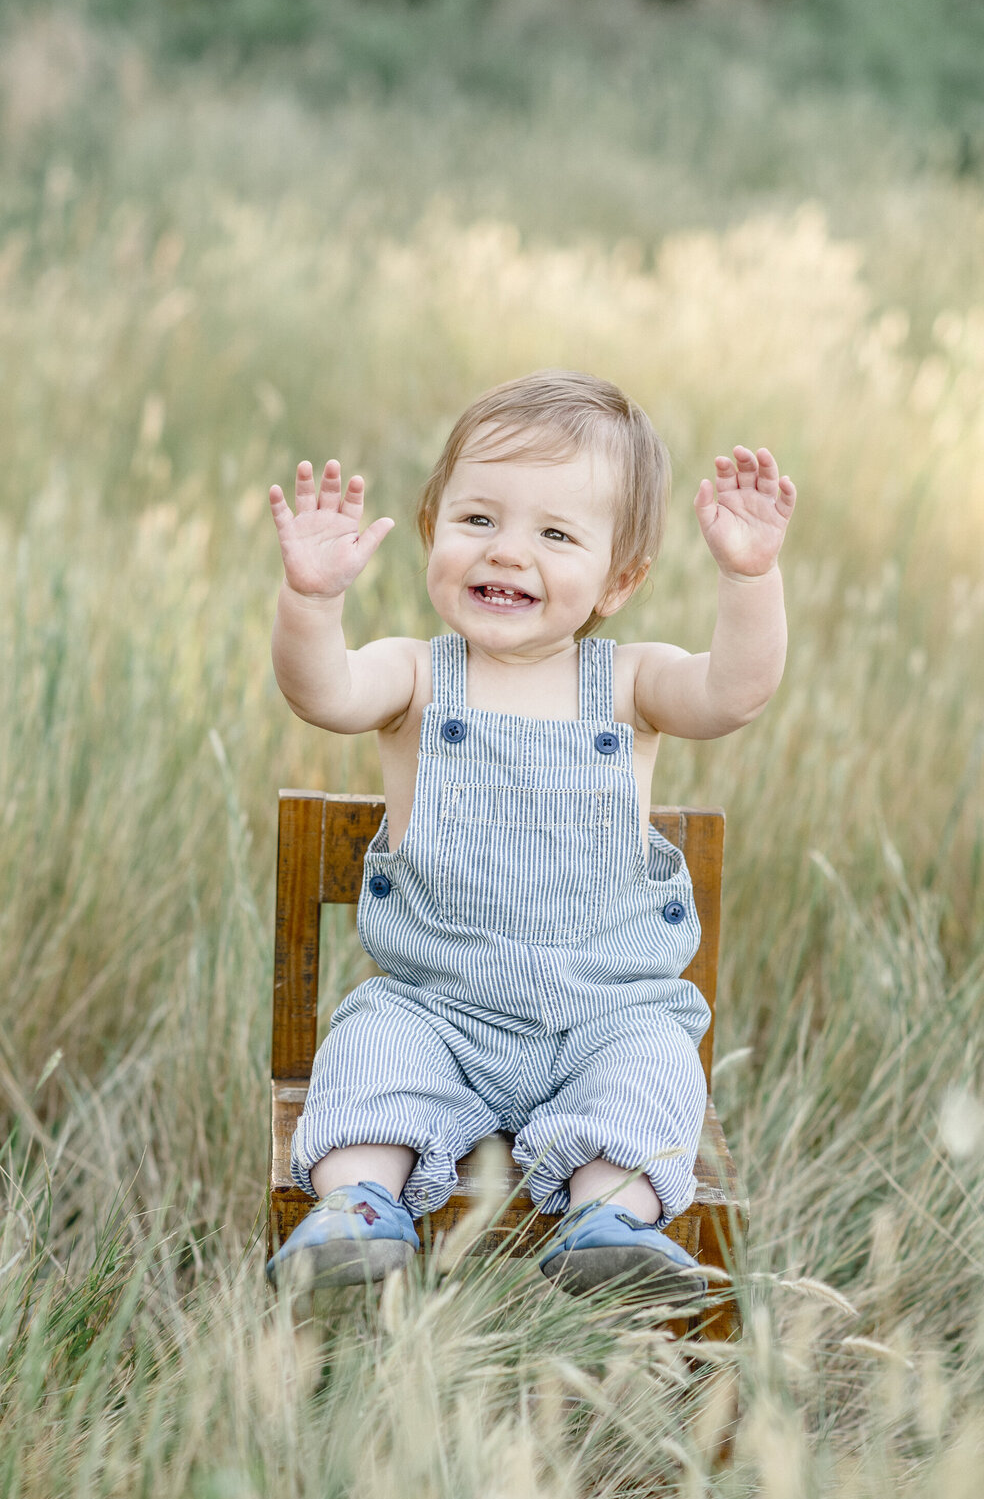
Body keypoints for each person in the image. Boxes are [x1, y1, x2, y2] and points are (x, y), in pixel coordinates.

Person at [265, 370, 794, 1297]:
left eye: (555, 535)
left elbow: (733, 692)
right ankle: (357, 1210)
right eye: (478, 520)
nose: (507, 553)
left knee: (652, 1071)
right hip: (440, 1008)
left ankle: (608, 1222)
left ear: (619, 581)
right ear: (431, 534)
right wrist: (312, 604)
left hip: (603, 1014)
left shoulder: (632, 684)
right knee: (371, 1054)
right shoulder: (413, 676)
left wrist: (749, 578)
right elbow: (322, 693)